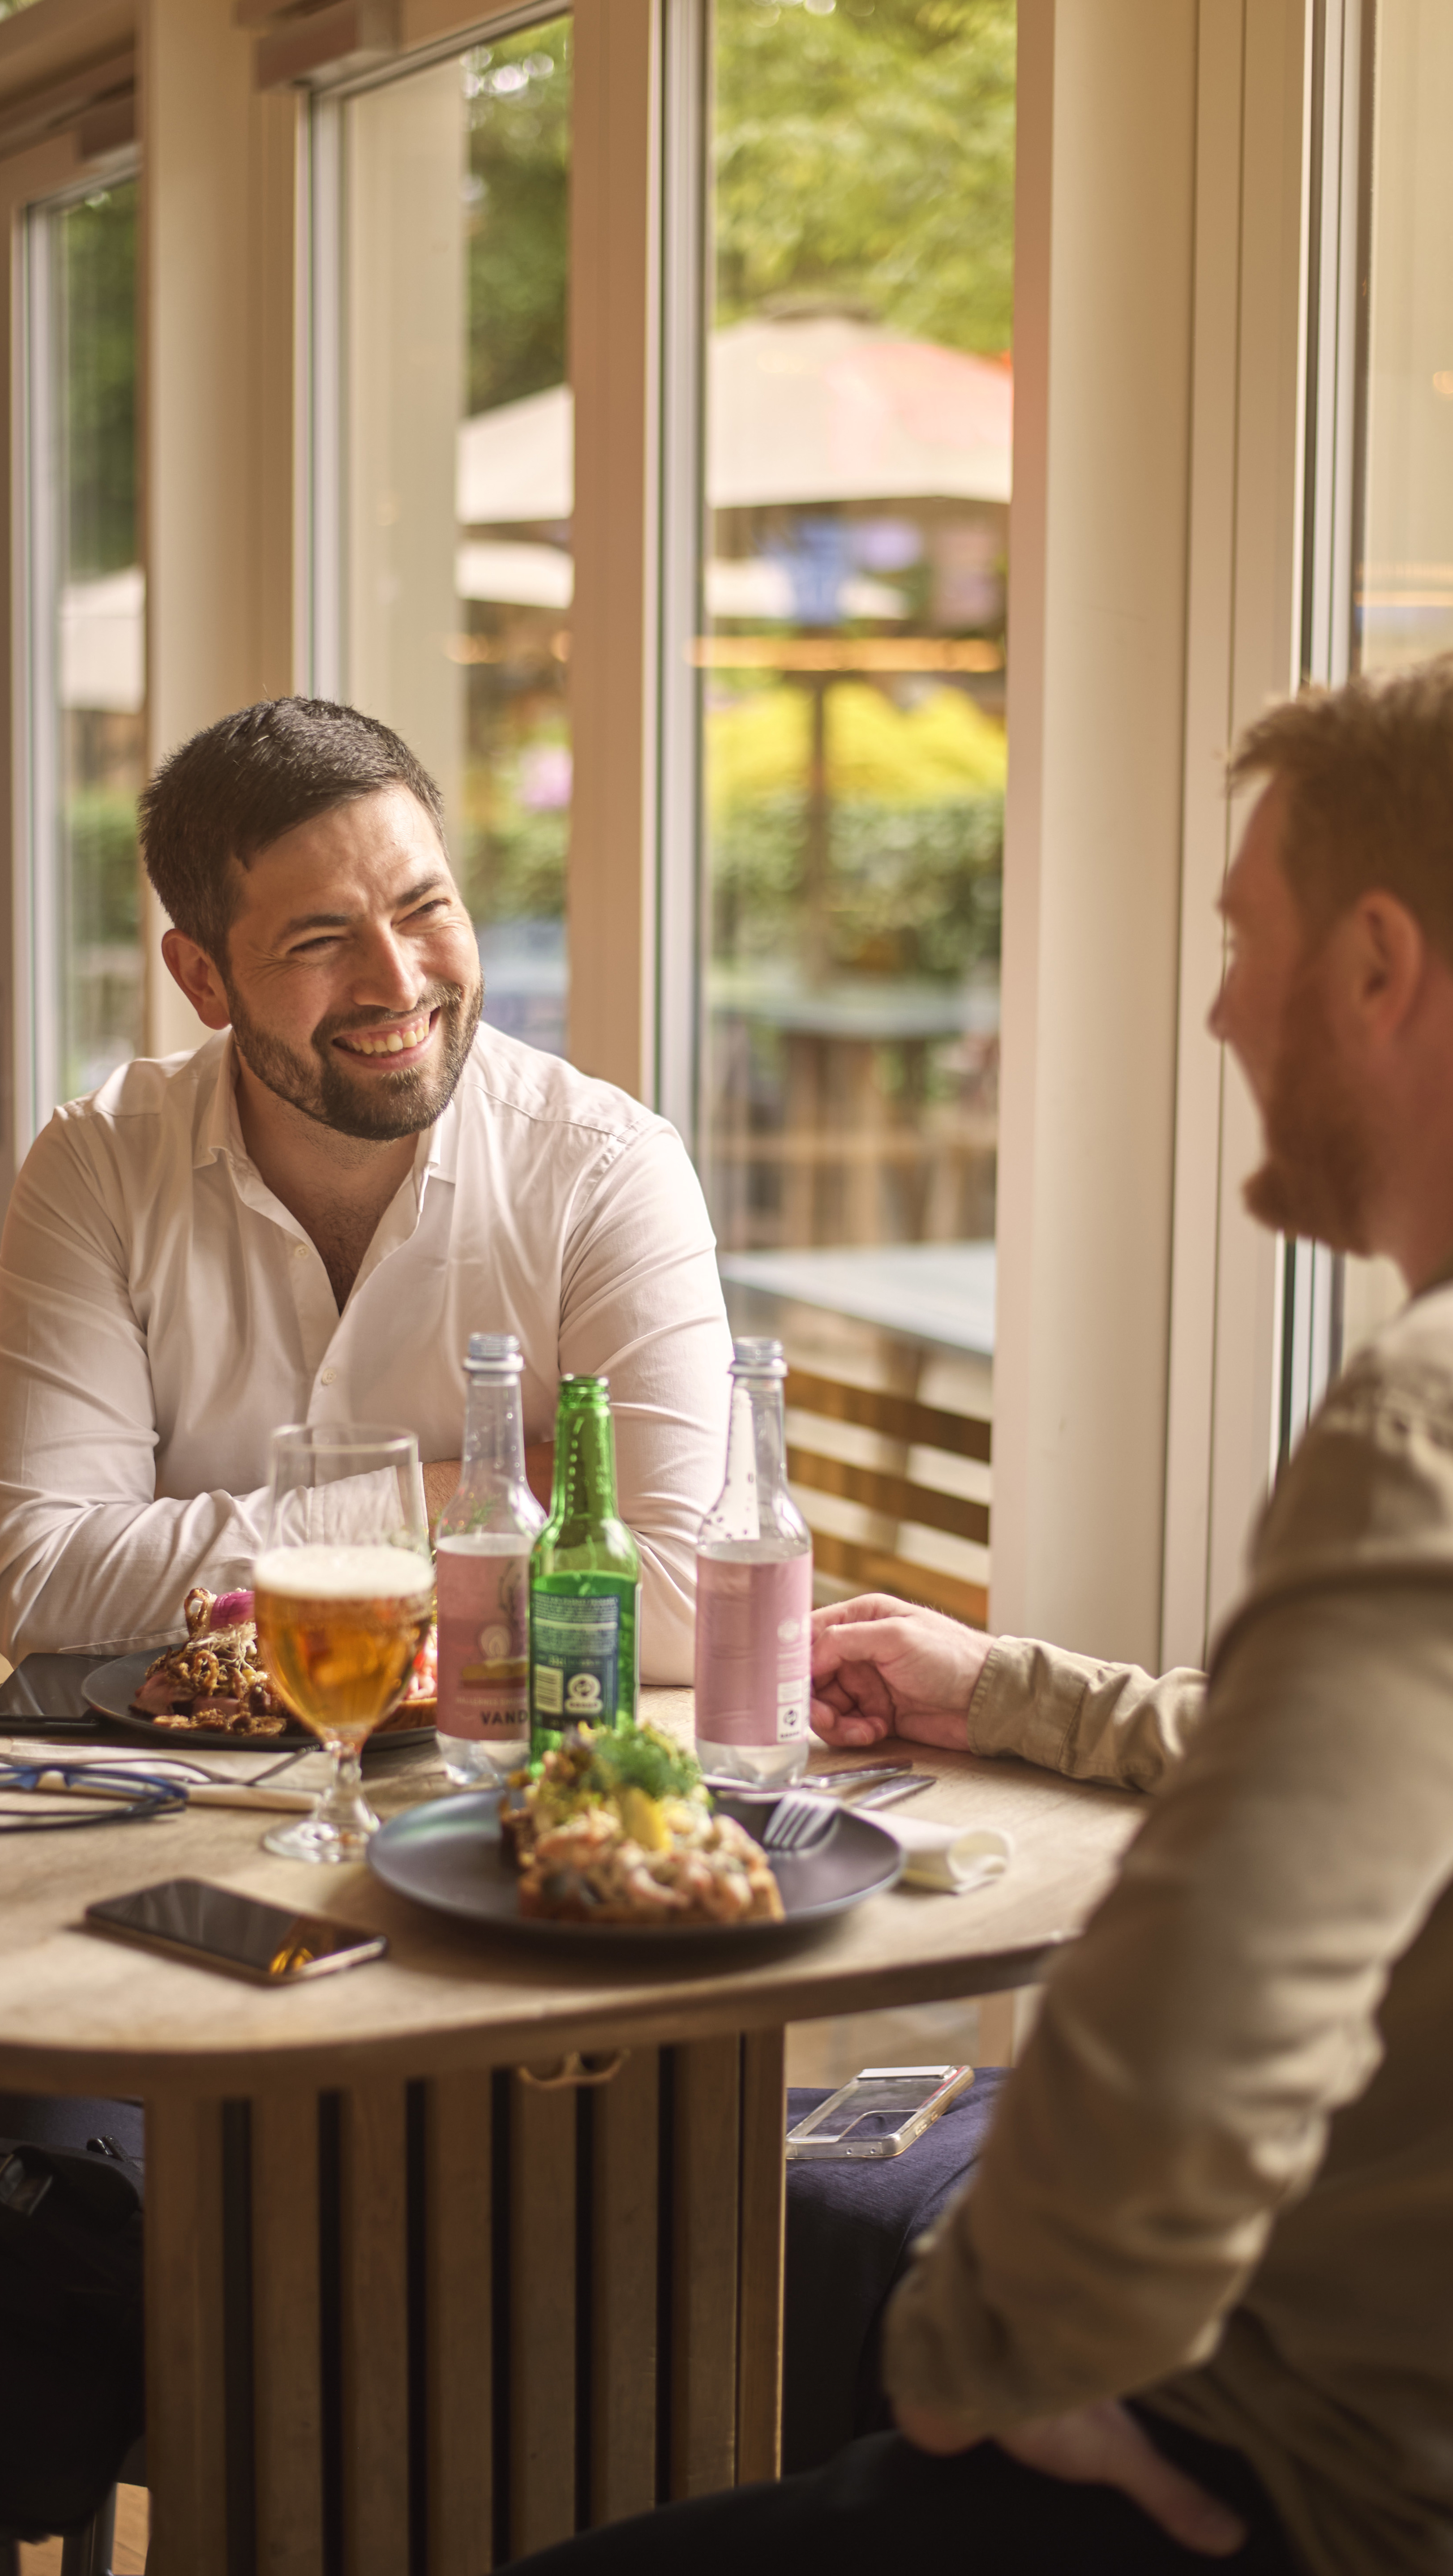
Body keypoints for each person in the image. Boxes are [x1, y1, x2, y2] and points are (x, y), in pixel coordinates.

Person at [507, 658, 1453, 2576]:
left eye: (1238, 941)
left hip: (1310, 2490)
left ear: (1378, 964)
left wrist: (968, 2357)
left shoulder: (1421, 1422)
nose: (1215, 1009)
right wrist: (1001, 1682)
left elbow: (1209, 2023)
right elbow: (1337, 1791)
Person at [0, 698, 730, 1672]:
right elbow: (40, 1589)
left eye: (425, 908)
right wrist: (453, 1497)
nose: (397, 981)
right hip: (180, 1791)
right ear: (203, 978)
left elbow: (679, 1600)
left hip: (494, 1788)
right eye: (321, 941)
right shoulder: (99, 1167)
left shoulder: (605, 1170)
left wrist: (207, 1555)